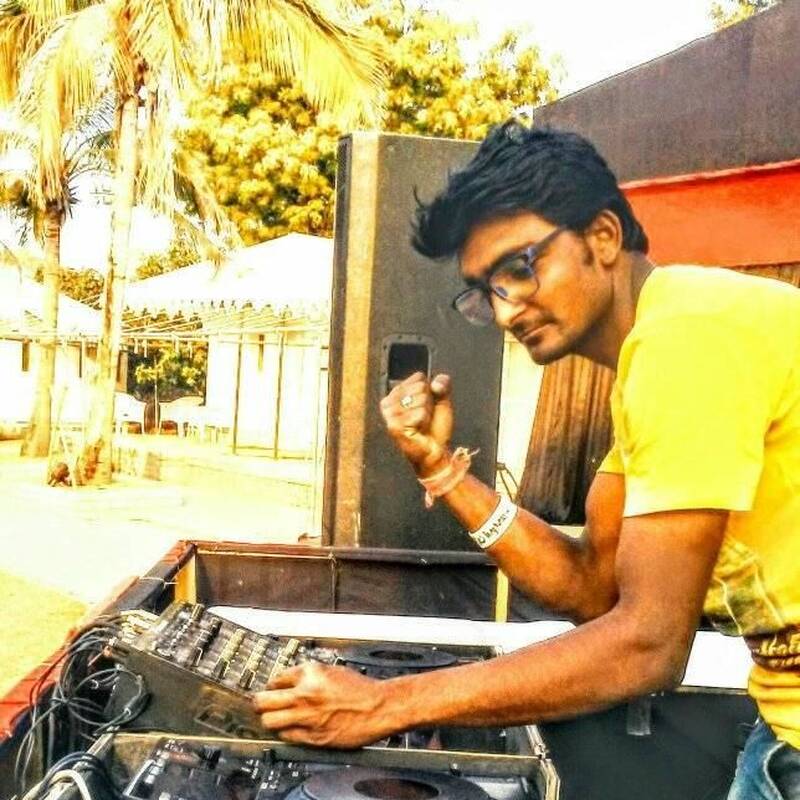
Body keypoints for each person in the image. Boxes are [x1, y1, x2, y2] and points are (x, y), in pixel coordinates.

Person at [254, 122, 800, 798]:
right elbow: (593, 589)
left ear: (603, 236)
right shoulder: (662, 346)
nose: (506, 311)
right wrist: (441, 471)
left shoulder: (687, 341)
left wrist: (385, 704)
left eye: (519, 268)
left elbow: (649, 645)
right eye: (486, 291)